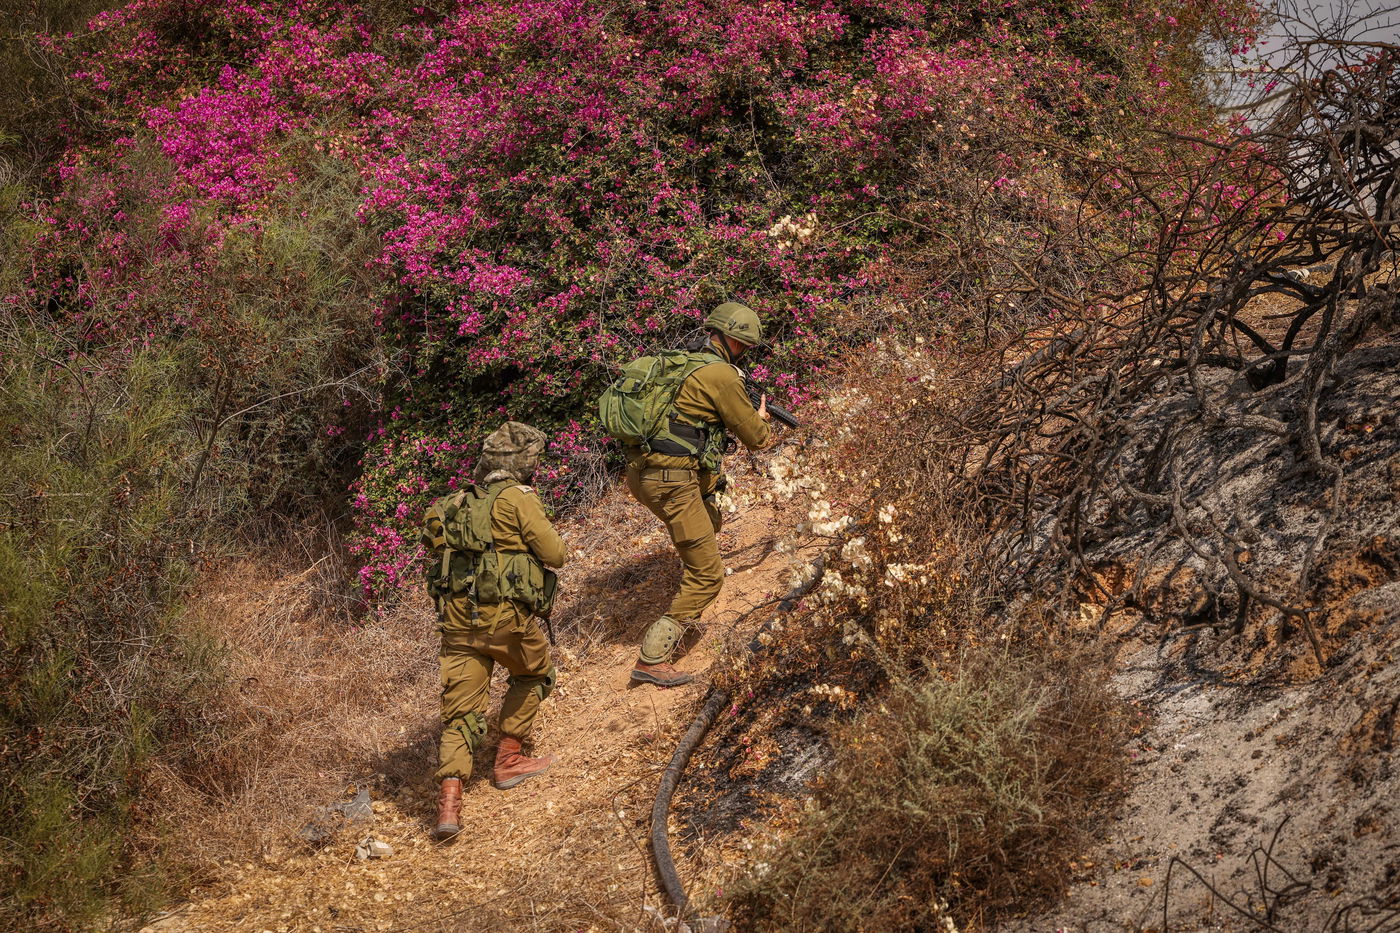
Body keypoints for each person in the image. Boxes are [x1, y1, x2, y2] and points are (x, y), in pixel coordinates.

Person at [422, 422, 569, 842]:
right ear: (524, 464)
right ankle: (509, 759)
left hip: (456, 623)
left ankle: (449, 804)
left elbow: (433, 547)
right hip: (505, 620)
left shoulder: (451, 502)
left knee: (460, 712)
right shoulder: (517, 499)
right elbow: (555, 554)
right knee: (534, 673)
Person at [626, 302, 773, 688]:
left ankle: (695, 549)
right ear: (736, 341)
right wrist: (759, 419)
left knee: (709, 515)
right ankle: (653, 659)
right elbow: (758, 438)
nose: (745, 352)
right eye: (745, 346)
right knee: (708, 574)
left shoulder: (680, 363)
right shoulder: (721, 375)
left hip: (641, 474)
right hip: (672, 481)